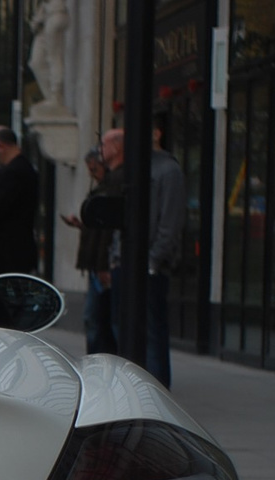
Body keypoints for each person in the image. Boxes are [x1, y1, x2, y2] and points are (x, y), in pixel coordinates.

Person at [102, 127, 186, 387]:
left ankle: (156, 389)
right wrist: (115, 257)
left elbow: (169, 224)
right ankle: (133, 386)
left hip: (149, 266)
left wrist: (152, 261)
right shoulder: (135, 168)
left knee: (151, 331)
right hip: (125, 263)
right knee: (121, 325)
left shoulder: (167, 170)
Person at [62, 148, 119, 353]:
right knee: (97, 318)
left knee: (97, 318)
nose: (91, 174)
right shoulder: (103, 188)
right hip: (97, 263)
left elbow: (107, 232)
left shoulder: (110, 188)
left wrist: (103, 266)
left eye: (94, 169)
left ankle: (101, 359)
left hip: (102, 263)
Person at [0, 126, 39, 275]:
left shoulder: (13, 173)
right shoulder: (25, 168)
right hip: (18, 249)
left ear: (0, 146)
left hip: (8, 253)